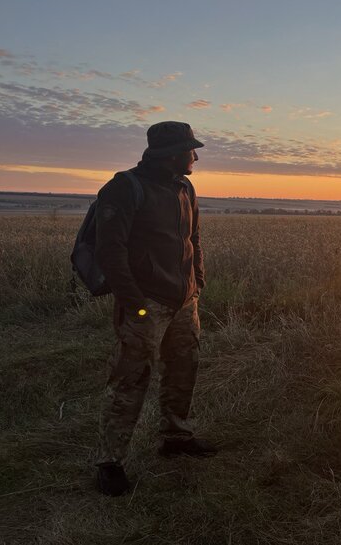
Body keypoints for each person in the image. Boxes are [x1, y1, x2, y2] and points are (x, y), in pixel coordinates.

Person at [93, 121, 217, 497]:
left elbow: (192, 237)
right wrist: (134, 304)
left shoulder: (185, 187)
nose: (194, 156)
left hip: (184, 301)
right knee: (131, 379)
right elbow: (109, 252)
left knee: (184, 369)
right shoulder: (124, 187)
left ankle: (176, 438)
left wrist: (197, 281)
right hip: (146, 304)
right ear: (169, 153)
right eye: (188, 150)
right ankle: (109, 463)